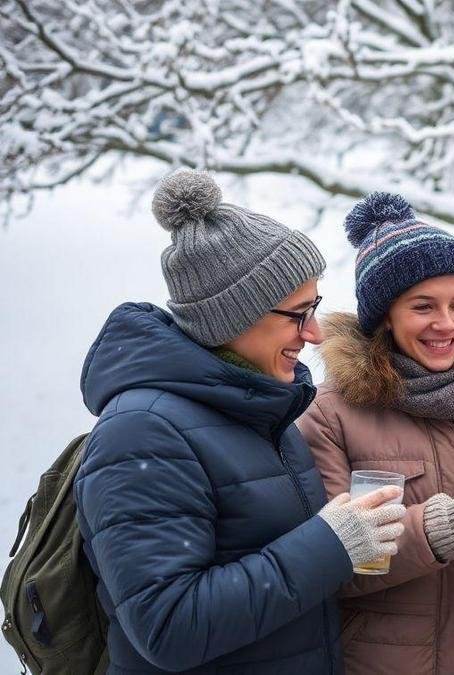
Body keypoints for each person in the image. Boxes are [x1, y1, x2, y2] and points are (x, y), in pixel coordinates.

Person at [75, 170, 406, 674]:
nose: (315, 333)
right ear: (231, 318)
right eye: (298, 314)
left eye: (314, 307)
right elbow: (166, 626)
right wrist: (331, 544)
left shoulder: (263, 412)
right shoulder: (140, 433)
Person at [297, 192, 454, 674]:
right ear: (385, 315)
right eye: (423, 306)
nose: (446, 324)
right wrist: (452, 523)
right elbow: (329, 569)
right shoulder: (329, 416)